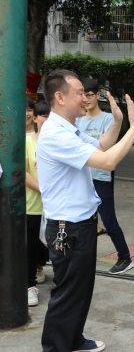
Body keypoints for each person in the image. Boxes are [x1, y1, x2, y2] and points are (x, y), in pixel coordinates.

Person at [37, 69, 134, 352]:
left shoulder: (70, 129)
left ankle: (74, 340)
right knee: (67, 293)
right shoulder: (56, 134)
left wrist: (118, 122)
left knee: (80, 290)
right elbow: (106, 161)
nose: (85, 98)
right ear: (60, 97)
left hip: (80, 223)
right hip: (66, 227)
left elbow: (102, 145)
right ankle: (56, 347)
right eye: (79, 93)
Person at [76, 79, 134, 274]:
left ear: (97, 95)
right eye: (83, 95)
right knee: (85, 221)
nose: (86, 99)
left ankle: (125, 257)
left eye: (90, 95)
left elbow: (106, 146)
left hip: (101, 177)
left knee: (108, 220)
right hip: (82, 177)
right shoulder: (78, 119)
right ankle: (84, 258)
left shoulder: (108, 119)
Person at [25, 100, 51, 306]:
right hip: (33, 205)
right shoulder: (27, 143)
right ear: (35, 118)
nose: (46, 119)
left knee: (57, 247)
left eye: (50, 116)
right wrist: (44, 190)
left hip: (57, 206)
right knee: (30, 247)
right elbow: (22, 173)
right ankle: (29, 286)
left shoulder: (59, 143)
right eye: (43, 115)